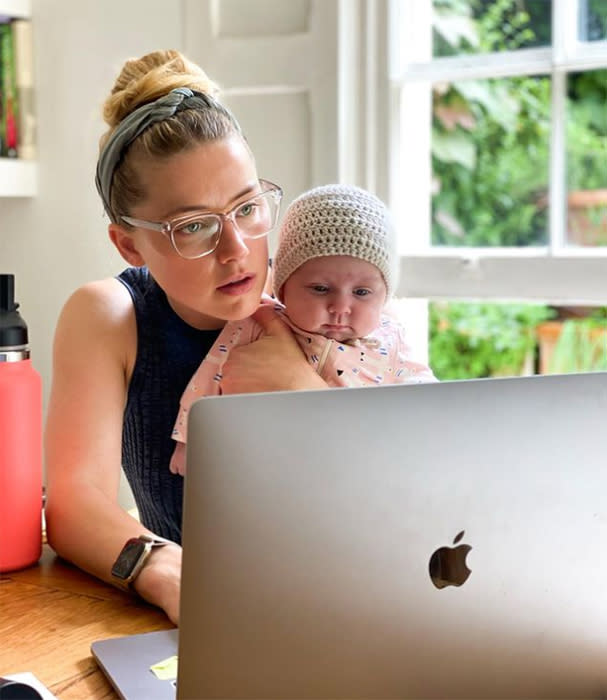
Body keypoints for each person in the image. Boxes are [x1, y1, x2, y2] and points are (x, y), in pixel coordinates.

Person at [43, 49, 327, 626]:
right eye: (193, 226)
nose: (237, 249)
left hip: (338, 604)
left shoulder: (319, 293)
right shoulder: (109, 317)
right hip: (205, 623)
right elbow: (74, 505)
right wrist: (165, 571)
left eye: (246, 207)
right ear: (128, 245)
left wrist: (309, 392)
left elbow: (413, 491)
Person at [169, 183, 437, 475]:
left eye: (361, 293)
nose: (340, 307)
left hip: (354, 467)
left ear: (384, 296)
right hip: (271, 468)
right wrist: (188, 439)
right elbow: (209, 378)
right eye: (320, 289)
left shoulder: (391, 339)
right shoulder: (258, 323)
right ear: (284, 288)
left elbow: (429, 403)